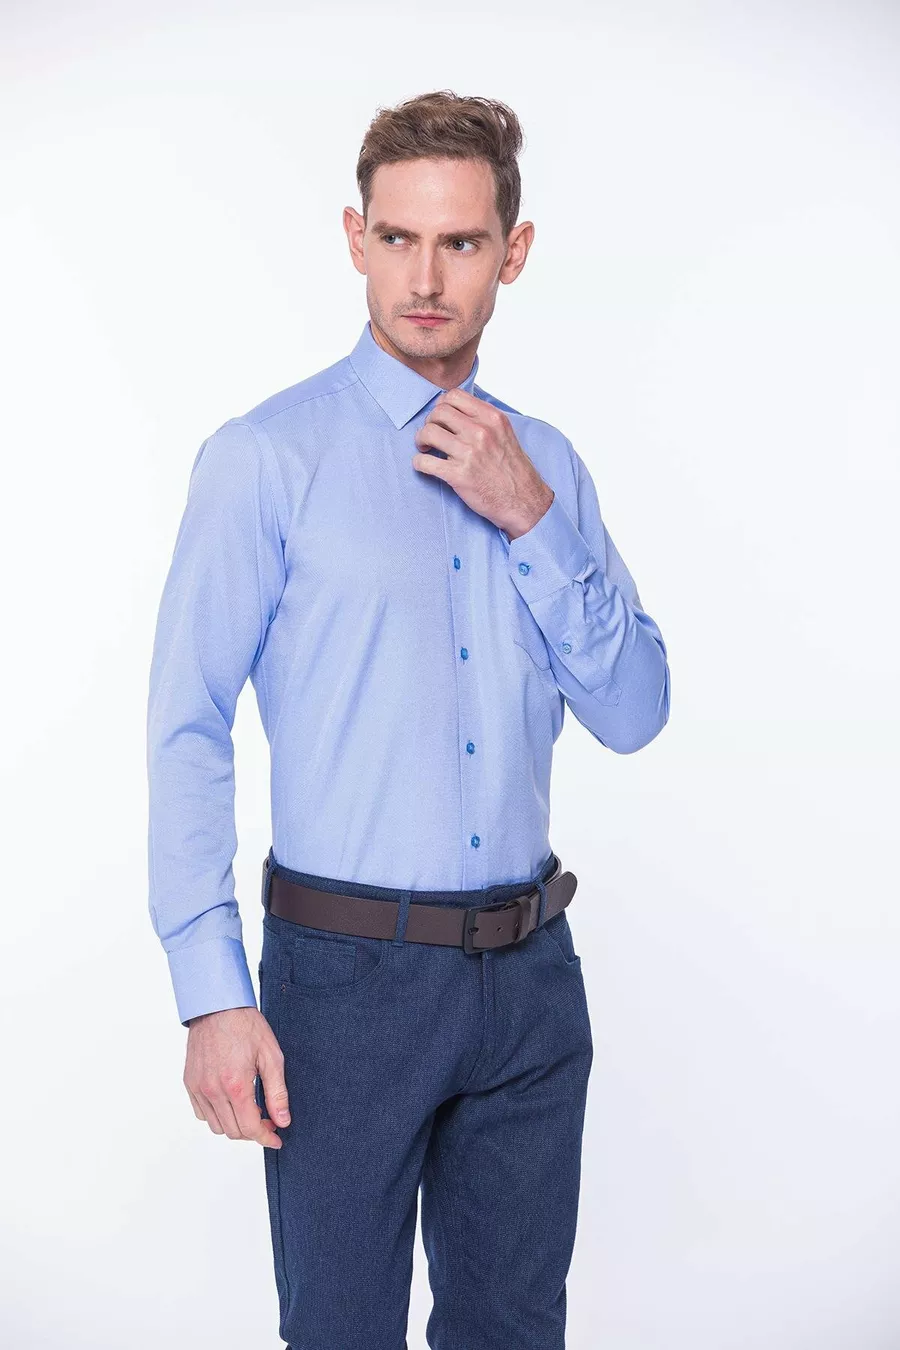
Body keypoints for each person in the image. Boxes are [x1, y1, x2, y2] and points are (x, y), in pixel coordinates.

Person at [146, 88, 670, 1350]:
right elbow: (187, 725)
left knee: (514, 1333)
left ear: (513, 253)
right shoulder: (267, 459)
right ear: (355, 238)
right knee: (339, 1331)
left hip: (531, 983)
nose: (426, 279)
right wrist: (211, 993)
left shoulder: (547, 465)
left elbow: (637, 710)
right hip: (344, 988)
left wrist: (532, 516)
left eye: (461, 242)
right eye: (398, 238)